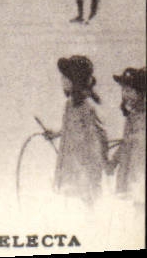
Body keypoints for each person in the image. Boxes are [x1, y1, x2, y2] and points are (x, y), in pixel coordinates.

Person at [45, 56, 109, 206]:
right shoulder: (70, 105)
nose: (62, 81)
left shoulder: (88, 107)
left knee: (87, 199)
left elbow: (100, 135)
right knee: (75, 198)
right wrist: (54, 134)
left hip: (85, 164)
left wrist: (101, 161)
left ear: (76, 81)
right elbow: (70, 128)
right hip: (72, 162)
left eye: (66, 78)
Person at [113, 67, 145, 208]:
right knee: (138, 205)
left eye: (129, 90)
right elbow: (125, 144)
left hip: (140, 171)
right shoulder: (132, 117)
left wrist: (134, 138)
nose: (125, 95)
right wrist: (114, 161)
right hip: (132, 171)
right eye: (123, 90)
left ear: (141, 92)